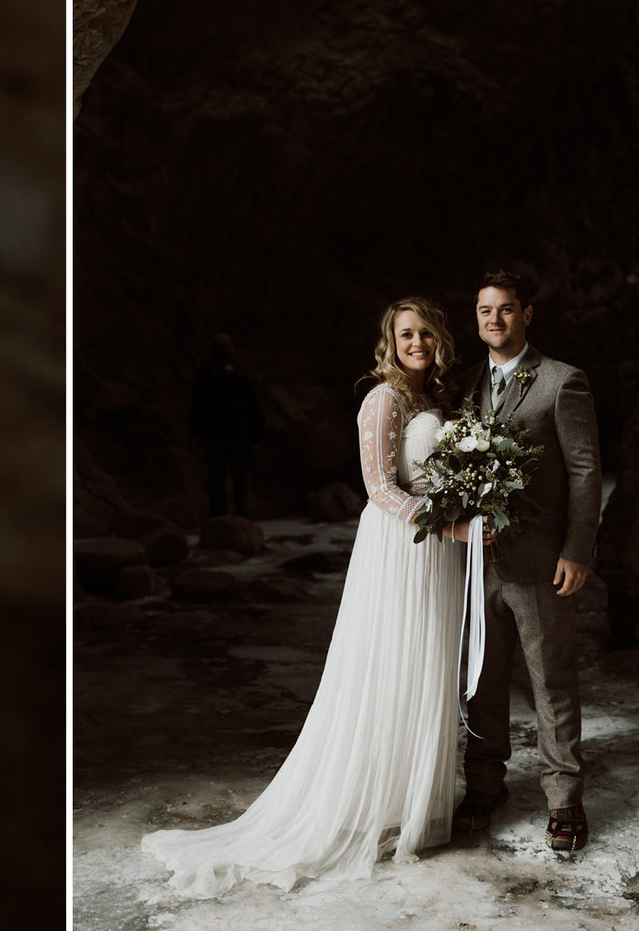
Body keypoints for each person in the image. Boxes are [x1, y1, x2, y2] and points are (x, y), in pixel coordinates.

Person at [142, 297, 472, 895]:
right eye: (405, 334)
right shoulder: (383, 398)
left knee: (427, 667)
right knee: (389, 666)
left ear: (439, 339)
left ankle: (411, 797)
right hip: (402, 548)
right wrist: (448, 524)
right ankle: (368, 802)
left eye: (425, 332)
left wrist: (463, 510)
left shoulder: (438, 401)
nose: (417, 342)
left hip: (440, 552)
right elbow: (378, 490)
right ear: (390, 342)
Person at [449, 270, 602, 853]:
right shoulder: (464, 388)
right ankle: (484, 786)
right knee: (481, 681)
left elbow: (585, 471)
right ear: (477, 317)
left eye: (506, 310)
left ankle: (564, 801)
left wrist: (577, 551)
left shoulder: (563, 382)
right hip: (476, 566)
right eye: (485, 310)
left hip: (542, 562)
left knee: (551, 681)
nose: (495, 319)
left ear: (526, 315)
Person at [188, 333, 262, 517]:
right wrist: (257, 434)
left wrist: (194, 432)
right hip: (240, 432)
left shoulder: (205, 373)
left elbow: (197, 405)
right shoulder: (242, 372)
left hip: (213, 433)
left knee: (216, 477)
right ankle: (242, 514)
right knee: (240, 477)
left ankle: (218, 516)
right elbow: (254, 406)